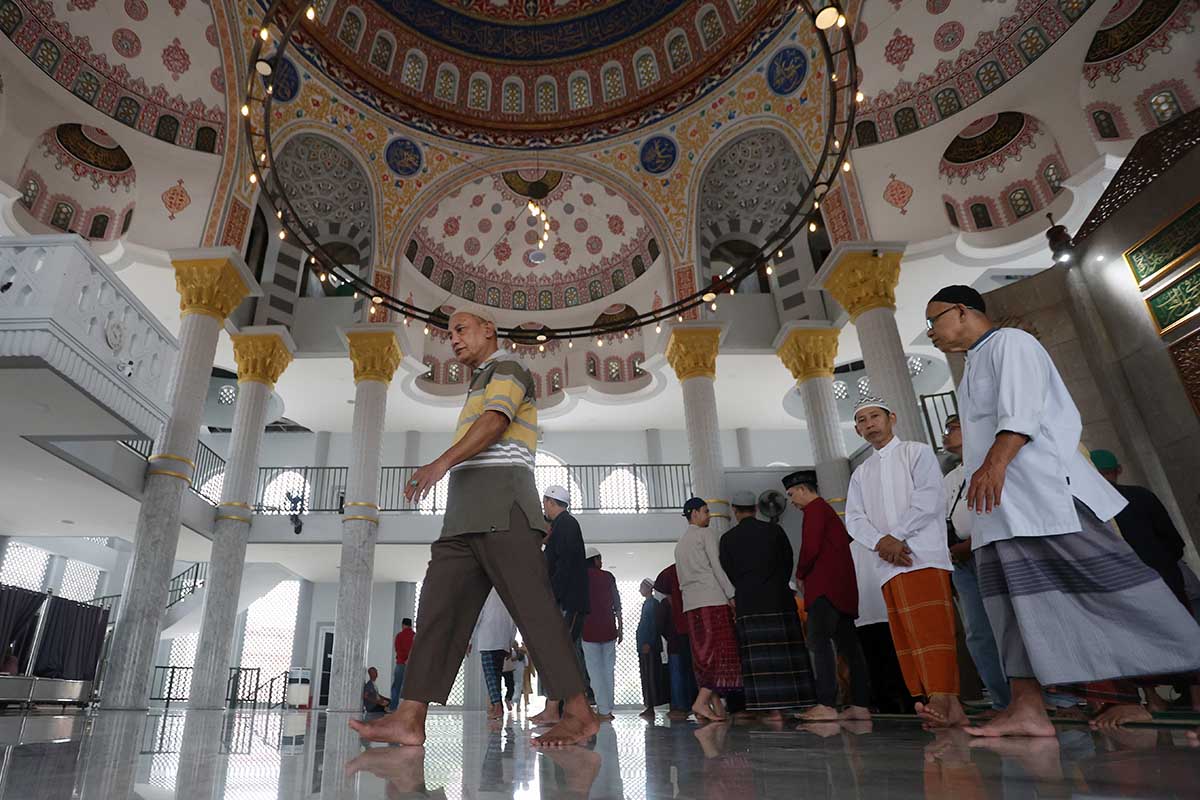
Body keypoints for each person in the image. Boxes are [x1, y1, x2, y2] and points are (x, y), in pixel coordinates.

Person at [924, 284, 1200, 737]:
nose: (931, 332)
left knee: (1115, 590)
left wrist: (994, 465)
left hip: (1045, 498)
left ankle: (1173, 681)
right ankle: (1027, 708)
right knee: (1010, 610)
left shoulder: (1011, 342)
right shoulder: (974, 362)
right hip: (1001, 512)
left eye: (933, 320)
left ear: (960, 311)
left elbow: (1022, 412)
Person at [349, 309, 598, 748]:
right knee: (436, 611)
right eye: (449, 334)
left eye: (461, 330)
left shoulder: (508, 368)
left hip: (504, 507)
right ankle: (409, 717)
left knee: (534, 610)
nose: (454, 340)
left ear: (488, 330)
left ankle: (579, 713)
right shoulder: (479, 381)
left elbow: (496, 422)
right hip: (462, 514)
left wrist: (440, 463)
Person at [846, 398, 966, 728]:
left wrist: (895, 537)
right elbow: (854, 519)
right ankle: (938, 701)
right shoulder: (861, 473)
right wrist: (880, 542)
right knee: (908, 637)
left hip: (921, 555)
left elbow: (929, 499)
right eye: (862, 420)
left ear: (892, 418)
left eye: (875, 416)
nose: (869, 423)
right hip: (887, 564)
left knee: (933, 630)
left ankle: (944, 698)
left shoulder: (917, 452)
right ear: (857, 430)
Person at [718, 490, 815, 719]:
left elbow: (728, 570)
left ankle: (772, 710)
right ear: (755, 509)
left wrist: (746, 587)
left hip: (749, 603)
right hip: (779, 600)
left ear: (734, 510)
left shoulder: (728, 539)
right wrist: (777, 584)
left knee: (760, 660)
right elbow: (787, 561)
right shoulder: (774, 531)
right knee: (786, 656)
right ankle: (800, 702)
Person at [785, 471, 871, 722]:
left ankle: (826, 703)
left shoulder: (814, 511)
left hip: (824, 590)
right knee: (850, 647)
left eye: (792, 494)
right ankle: (860, 704)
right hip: (842, 590)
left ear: (803, 489)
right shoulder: (827, 511)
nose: (791, 501)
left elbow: (810, 547)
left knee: (819, 642)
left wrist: (800, 573)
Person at [943, 416, 1011, 712]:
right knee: (978, 632)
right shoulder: (949, 478)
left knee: (1009, 624)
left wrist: (971, 543)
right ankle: (1002, 700)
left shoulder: (992, 462)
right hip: (962, 562)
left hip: (991, 550)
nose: (947, 434)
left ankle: (1044, 698)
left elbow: (1000, 508)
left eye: (953, 428)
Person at [675, 497, 741, 721]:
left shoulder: (680, 544)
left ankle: (715, 707)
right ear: (694, 513)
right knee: (720, 652)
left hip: (691, 605)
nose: (709, 515)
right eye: (705, 511)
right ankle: (701, 702)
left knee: (702, 655)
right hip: (712, 600)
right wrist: (731, 594)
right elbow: (717, 566)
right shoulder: (706, 534)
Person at [533, 483, 591, 726]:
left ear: (550, 502)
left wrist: (552, 597)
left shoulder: (566, 524)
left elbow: (565, 566)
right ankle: (559, 708)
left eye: (544, 503)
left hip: (569, 601)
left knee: (561, 653)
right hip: (566, 600)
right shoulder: (560, 526)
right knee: (564, 653)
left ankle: (561, 709)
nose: (544, 508)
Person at [581, 547, 622, 720]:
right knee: (608, 670)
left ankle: (603, 709)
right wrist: (620, 627)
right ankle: (608, 708)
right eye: (600, 559)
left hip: (588, 630)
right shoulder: (608, 577)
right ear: (595, 560)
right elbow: (616, 602)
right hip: (608, 629)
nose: (602, 562)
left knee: (595, 671)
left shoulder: (580, 577)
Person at [654, 564, 698, 719]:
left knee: (678, 675)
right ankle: (695, 705)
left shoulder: (665, 604)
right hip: (691, 641)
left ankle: (680, 707)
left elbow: (660, 626)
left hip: (675, 643)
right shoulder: (691, 602)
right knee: (692, 673)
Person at [472, 588, 517, 720]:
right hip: (503, 641)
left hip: (488, 640)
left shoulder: (484, 592)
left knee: (491, 676)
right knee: (496, 675)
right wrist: (510, 643)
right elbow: (514, 622)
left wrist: (469, 639)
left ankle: (497, 707)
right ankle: (496, 706)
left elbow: (476, 617)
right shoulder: (509, 594)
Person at [636, 578, 666, 718]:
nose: (640, 590)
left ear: (649, 588)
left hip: (649, 647)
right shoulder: (648, 604)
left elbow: (653, 625)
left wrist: (649, 642)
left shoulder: (652, 604)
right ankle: (649, 706)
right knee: (647, 676)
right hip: (646, 646)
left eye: (642, 587)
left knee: (651, 676)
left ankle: (651, 706)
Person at [391, 618, 415, 711]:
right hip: (411, 665)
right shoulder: (415, 636)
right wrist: (409, 659)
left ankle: (393, 707)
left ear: (403, 625)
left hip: (401, 664)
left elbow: (398, 649)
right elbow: (416, 650)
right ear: (410, 625)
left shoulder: (399, 636)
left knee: (396, 686)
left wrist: (404, 659)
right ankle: (410, 708)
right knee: (410, 687)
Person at [502, 645, 518, 712]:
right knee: (511, 686)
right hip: (508, 669)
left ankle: (507, 699)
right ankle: (508, 698)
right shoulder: (511, 651)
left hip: (503, 669)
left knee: (510, 686)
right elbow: (515, 658)